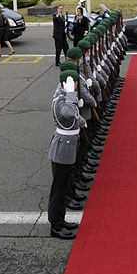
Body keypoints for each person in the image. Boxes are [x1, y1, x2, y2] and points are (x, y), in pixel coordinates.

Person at [47, 72, 85, 240]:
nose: (76, 85)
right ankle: (55, 226)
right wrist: (70, 94)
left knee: (64, 187)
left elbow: (75, 115)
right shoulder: (61, 99)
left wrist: (82, 121)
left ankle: (61, 220)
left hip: (68, 147)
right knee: (58, 190)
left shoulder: (64, 96)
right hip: (62, 149)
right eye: (74, 82)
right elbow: (68, 113)